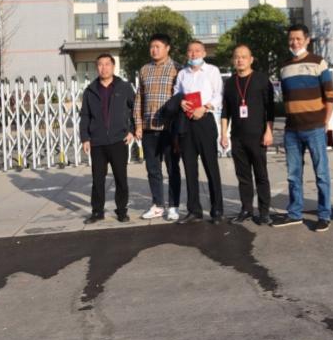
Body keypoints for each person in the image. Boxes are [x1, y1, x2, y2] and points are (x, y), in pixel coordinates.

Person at [273, 24, 333, 232]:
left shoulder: (319, 62)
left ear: (307, 40)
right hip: (292, 130)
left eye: (298, 39)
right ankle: (295, 213)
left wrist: (325, 121)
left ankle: (324, 215)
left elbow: (330, 95)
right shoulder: (284, 67)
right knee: (293, 175)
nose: (295, 42)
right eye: (291, 39)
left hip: (315, 127)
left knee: (321, 174)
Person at [220, 44, 276, 226]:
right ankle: (246, 209)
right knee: (243, 176)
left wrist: (269, 131)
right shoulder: (230, 83)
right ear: (233, 60)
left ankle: (264, 212)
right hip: (237, 137)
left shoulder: (261, 80)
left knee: (261, 175)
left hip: (258, 135)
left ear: (251, 59)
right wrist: (223, 134)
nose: (240, 60)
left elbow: (270, 109)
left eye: (244, 56)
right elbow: (225, 111)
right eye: (237, 57)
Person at [79, 53, 135, 224]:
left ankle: (122, 211)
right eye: (100, 65)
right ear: (97, 68)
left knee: (121, 178)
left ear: (113, 66)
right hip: (97, 142)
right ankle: (97, 212)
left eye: (107, 64)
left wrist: (132, 130)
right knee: (97, 180)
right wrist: (85, 138)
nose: (104, 68)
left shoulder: (124, 87)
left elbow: (135, 110)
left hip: (119, 140)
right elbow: (85, 116)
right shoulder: (90, 90)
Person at [173, 40, 224, 224]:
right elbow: (176, 93)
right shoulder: (182, 73)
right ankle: (194, 210)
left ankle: (217, 210)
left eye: (197, 51)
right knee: (190, 168)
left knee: (211, 166)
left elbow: (219, 95)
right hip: (186, 122)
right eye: (190, 51)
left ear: (204, 53)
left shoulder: (212, 71)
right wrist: (180, 102)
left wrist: (205, 107)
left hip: (205, 120)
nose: (193, 54)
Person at [134, 33, 181, 222]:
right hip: (148, 128)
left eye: (158, 46)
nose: (154, 50)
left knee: (173, 168)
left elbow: (181, 98)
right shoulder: (144, 70)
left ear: (167, 48)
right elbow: (139, 98)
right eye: (152, 47)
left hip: (169, 129)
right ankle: (158, 205)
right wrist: (138, 124)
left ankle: (174, 206)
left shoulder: (178, 69)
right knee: (153, 169)